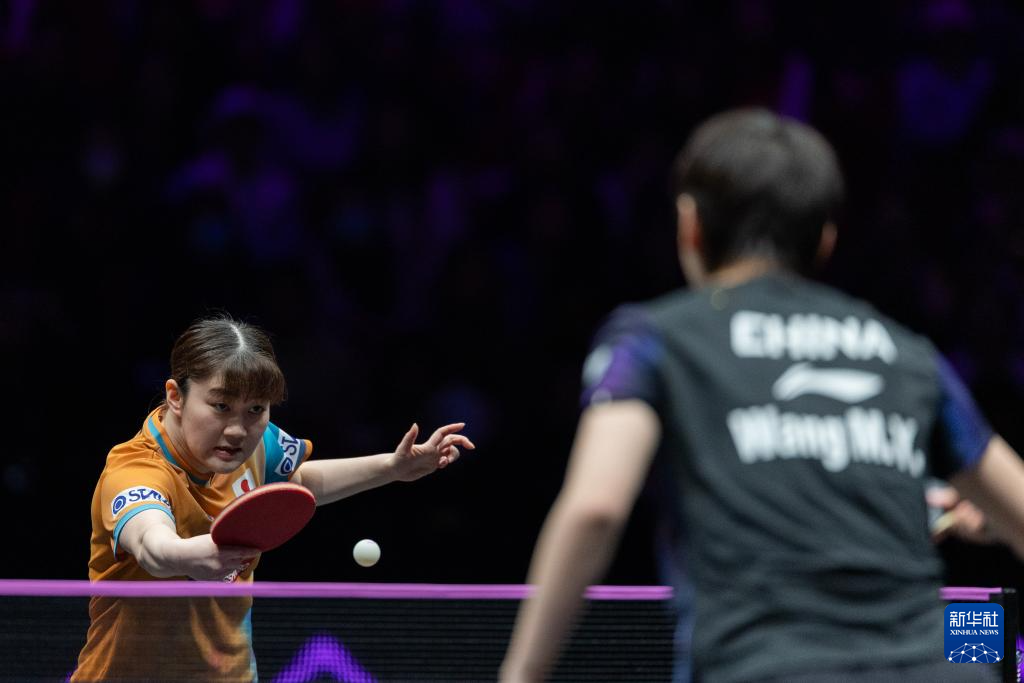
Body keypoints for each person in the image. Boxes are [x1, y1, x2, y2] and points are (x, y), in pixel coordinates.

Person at [500, 108, 1024, 682]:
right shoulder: (906, 352)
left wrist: (521, 675)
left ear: (690, 225)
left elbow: (595, 508)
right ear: (825, 239)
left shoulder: (656, 340)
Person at [72, 315, 474, 682]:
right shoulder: (135, 470)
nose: (237, 429)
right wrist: (189, 555)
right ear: (176, 396)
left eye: (255, 409)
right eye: (221, 406)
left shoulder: (257, 445)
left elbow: (299, 484)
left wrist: (392, 468)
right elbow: (151, 544)